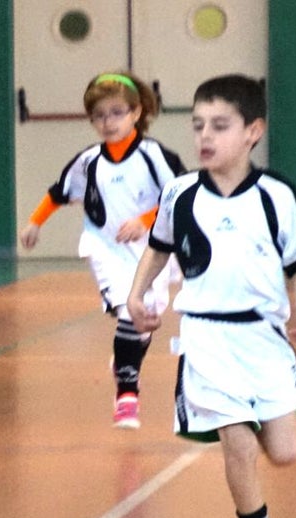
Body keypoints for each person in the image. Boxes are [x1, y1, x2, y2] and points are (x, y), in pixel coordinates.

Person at [127, 74, 296, 518]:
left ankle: (254, 417)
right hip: (205, 339)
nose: (205, 137)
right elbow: (159, 246)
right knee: (237, 446)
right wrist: (137, 294)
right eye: (198, 125)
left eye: (220, 125)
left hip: (263, 340)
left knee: (284, 453)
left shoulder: (277, 196)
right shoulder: (181, 194)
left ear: (252, 132)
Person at [20, 71, 185, 429]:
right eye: (99, 115)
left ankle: (124, 358)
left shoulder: (155, 156)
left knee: (146, 317)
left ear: (136, 113)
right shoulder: (89, 161)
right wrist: (35, 222)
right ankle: (127, 394)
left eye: (116, 113)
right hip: (105, 248)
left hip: (151, 249)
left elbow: (180, 199)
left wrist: (146, 219)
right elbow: (59, 192)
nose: (108, 122)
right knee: (130, 309)